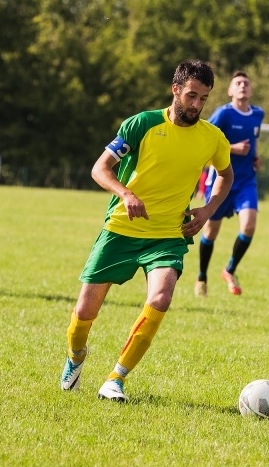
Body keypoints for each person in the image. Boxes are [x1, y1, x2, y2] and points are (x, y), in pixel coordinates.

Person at [60, 59, 233, 403]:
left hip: (169, 233)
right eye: (191, 96)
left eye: (204, 98)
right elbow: (100, 168)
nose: (197, 105)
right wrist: (126, 193)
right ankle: (76, 357)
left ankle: (115, 379)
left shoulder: (212, 137)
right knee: (83, 314)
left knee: (161, 298)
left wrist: (208, 209)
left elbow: (226, 176)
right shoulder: (142, 124)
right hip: (122, 229)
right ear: (175, 90)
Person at [195, 71, 265, 297]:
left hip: (246, 181)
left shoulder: (258, 114)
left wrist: (255, 156)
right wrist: (233, 149)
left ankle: (229, 270)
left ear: (251, 90)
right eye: (238, 83)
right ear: (230, 91)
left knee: (249, 226)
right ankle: (202, 277)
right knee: (211, 230)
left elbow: (253, 141)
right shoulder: (223, 114)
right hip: (222, 180)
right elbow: (207, 142)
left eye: (246, 83)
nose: (243, 86)